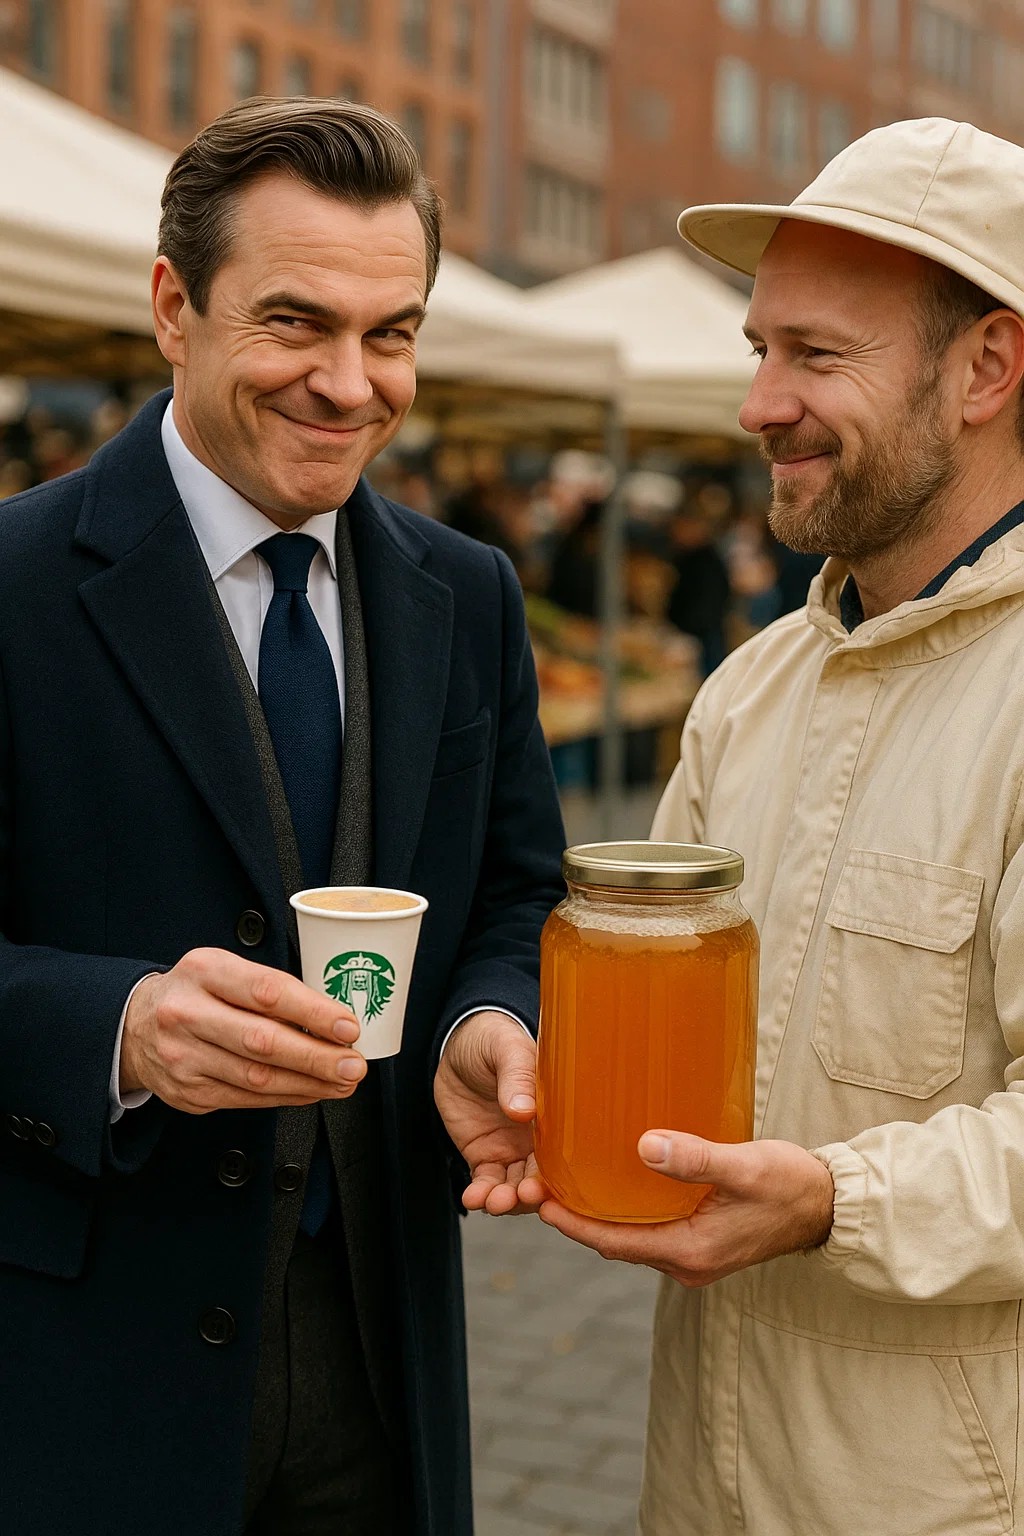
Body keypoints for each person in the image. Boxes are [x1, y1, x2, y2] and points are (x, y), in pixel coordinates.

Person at [0, 97, 564, 1536]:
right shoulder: (10, 584)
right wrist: (116, 1028)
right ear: (173, 309)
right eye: (297, 323)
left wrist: (485, 1023)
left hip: (385, 1355)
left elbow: (515, 896)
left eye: (395, 333)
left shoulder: (471, 594)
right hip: (78, 1368)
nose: (351, 383)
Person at [521, 116, 1024, 1534]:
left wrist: (827, 1202)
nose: (758, 404)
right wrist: (530, 1083)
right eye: (760, 350)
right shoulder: (751, 686)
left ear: (988, 366)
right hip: (705, 1482)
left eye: (817, 355)